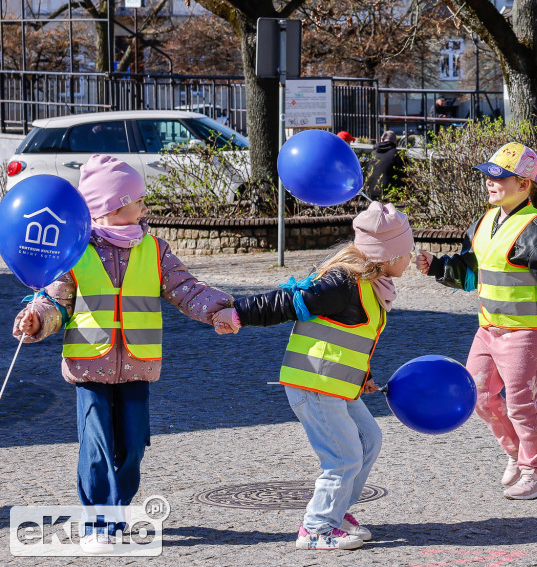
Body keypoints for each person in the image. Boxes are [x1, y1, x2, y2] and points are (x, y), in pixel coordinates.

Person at [12, 154, 233, 554]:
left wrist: (220, 310)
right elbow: (54, 301)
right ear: (113, 207)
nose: (145, 207)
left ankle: (119, 506)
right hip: (89, 367)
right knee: (95, 443)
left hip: (138, 364)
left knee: (132, 445)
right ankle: (98, 520)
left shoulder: (156, 249)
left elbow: (187, 289)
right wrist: (37, 319)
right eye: (138, 200)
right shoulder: (76, 251)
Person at [213, 202, 414, 550]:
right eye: (407, 251)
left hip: (334, 385)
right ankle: (318, 528)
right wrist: (239, 313)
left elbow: (350, 337)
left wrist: (362, 375)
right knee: (344, 455)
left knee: (369, 438)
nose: (410, 259)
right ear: (388, 254)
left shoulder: (370, 284)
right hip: (314, 384)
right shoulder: (342, 282)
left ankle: (337, 512)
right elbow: (286, 301)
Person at [415, 142, 537, 500]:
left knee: (521, 403)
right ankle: (517, 456)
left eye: (499, 176)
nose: (490, 182)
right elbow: (473, 269)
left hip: (526, 335)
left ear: (524, 184)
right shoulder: (484, 222)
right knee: (480, 396)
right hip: (488, 331)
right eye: (487, 175)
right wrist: (440, 266)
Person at [365, 130, 406, 201]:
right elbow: (404, 175)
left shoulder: (373, 153)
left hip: (370, 193)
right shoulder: (396, 154)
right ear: (395, 142)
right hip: (389, 194)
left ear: (382, 139)